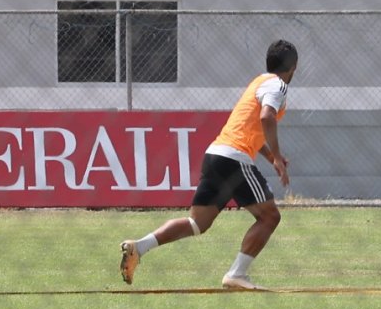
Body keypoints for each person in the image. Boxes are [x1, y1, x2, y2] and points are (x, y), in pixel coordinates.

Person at [118, 40, 298, 289]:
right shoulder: (278, 85)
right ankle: (236, 274)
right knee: (270, 217)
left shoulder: (259, 82)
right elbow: (267, 117)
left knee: (196, 223)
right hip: (234, 159)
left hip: (215, 155)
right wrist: (277, 156)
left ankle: (140, 247)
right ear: (293, 68)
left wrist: (270, 157)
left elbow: (252, 127)